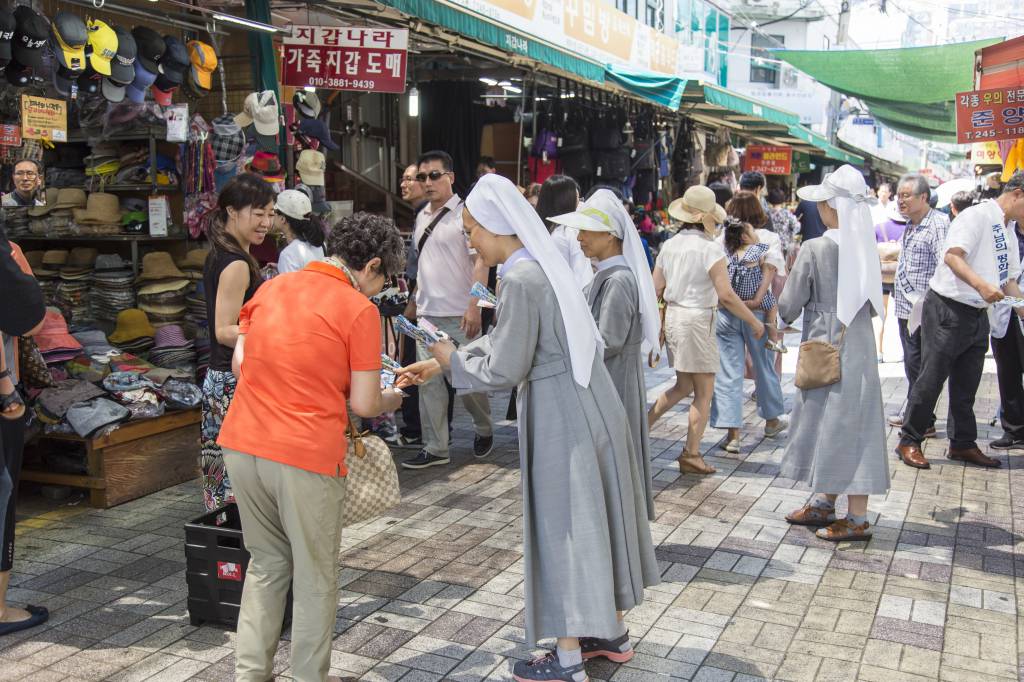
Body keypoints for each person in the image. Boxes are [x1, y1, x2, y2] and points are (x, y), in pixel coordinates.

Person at [397, 174, 659, 681]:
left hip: (562, 413)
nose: (469, 241)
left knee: (564, 528)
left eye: (471, 230)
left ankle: (567, 660)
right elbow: (516, 342)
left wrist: (449, 358)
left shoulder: (519, 279)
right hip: (586, 402)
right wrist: (441, 364)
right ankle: (609, 632)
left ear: (496, 226)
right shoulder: (540, 268)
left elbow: (505, 366)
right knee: (593, 520)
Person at [218, 212, 406, 682]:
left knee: (265, 564)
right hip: (305, 451)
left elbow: (241, 364)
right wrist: (394, 397)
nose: (380, 290)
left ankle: (250, 675)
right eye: (384, 280)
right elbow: (365, 404)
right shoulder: (357, 309)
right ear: (373, 265)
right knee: (315, 575)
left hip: (243, 441)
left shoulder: (272, 287)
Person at [779, 165, 889, 542]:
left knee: (825, 420)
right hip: (858, 345)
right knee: (853, 422)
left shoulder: (815, 247)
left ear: (830, 207)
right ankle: (826, 502)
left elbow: (789, 303)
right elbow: (871, 306)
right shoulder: (866, 248)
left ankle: (855, 518)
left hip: (823, 343)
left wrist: (781, 317)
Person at [896, 171, 1024, 470]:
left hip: (978, 314)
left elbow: (1008, 281)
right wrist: (981, 285)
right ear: (1018, 194)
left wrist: (1021, 307)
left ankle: (962, 443)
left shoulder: (1009, 229)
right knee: (931, 379)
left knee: (967, 385)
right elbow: (952, 256)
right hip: (948, 309)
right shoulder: (977, 216)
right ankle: (909, 439)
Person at [550, 188, 661, 521]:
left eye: (587, 231)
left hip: (615, 380)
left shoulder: (617, 280)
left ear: (610, 235)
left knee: (614, 453)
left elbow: (609, 340)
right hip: (611, 377)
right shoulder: (609, 275)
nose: (579, 238)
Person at [647, 186, 765, 475]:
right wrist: (753, 321)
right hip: (698, 320)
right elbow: (725, 294)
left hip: (675, 317)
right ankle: (691, 453)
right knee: (703, 391)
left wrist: (657, 324)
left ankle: (640, 429)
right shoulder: (710, 248)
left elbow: (655, 289)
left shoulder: (670, 245)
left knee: (683, 386)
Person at [401, 150, 493, 470]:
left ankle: (484, 428)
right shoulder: (421, 216)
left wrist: (475, 307)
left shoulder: (465, 214)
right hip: (427, 316)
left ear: (450, 177)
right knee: (428, 384)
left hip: (460, 314)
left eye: (434, 175)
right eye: (422, 177)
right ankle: (436, 446)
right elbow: (423, 266)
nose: (427, 182)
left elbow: (482, 263)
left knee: (468, 382)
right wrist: (414, 304)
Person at [200, 173, 274, 510]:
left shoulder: (223, 253)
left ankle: (224, 534)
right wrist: (274, 334)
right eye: (258, 213)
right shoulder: (236, 264)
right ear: (232, 211)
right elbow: (224, 330)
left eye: (270, 214)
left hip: (222, 379)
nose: (266, 223)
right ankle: (239, 537)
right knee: (239, 478)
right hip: (233, 381)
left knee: (223, 475)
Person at [0, 223, 47, 636]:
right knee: (2, 497)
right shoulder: (7, 250)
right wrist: (5, 390)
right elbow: (30, 319)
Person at [711, 217, 788, 451]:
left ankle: (733, 435)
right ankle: (772, 420)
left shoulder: (721, 244)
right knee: (764, 366)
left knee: (728, 370)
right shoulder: (765, 243)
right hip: (757, 311)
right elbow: (772, 266)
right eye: (753, 230)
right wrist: (757, 299)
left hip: (728, 310)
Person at [887, 174, 950, 433]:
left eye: (906, 196)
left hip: (925, 311)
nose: (900, 201)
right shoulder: (910, 224)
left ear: (923, 197)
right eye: (898, 195)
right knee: (913, 365)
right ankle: (915, 415)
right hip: (905, 309)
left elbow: (945, 265)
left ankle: (922, 422)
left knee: (922, 367)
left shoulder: (938, 224)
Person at [399, 163, 428, 446]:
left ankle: (416, 427)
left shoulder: (427, 216)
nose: (404, 184)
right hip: (418, 297)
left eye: (411, 179)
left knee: (414, 361)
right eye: (403, 179)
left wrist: (412, 303)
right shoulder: (422, 214)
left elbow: (424, 268)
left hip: (420, 301)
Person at [536, 174, 593, 290]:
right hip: (569, 296)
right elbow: (582, 276)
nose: (579, 202)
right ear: (566, 200)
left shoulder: (538, 230)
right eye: (577, 198)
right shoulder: (570, 231)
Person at [273, 189, 324, 274]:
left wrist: (284, 265)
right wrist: (281, 266)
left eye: (274, 212)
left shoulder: (288, 255)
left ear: (282, 219)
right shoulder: (317, 245)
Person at [766, 187, 799, 267]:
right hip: (784, 245)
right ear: (782, 199)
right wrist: (791, 234)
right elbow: (796, 227)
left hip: (770, 246)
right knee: (783, 268)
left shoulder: (766, 214)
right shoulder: (786, 213)